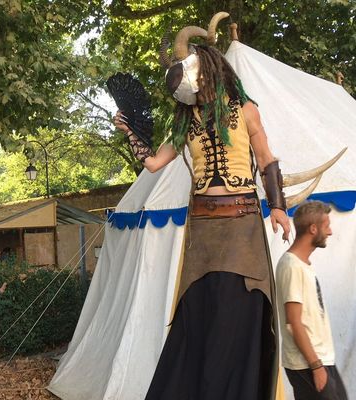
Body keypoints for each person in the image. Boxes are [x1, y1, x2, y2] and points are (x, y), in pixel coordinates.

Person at [114, 12, 291, 400]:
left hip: (243, 229)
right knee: (197, 318)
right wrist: (130, 131)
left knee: (236, 318)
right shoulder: (184, 121)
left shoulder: (246, 110)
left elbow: (266, 160)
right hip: (203, 234)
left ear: (205, 68)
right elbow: (154, 163)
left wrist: (277, 207)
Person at [276, 201, 348, 399]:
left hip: (320, 359)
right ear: (313, 228)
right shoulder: (291, 266)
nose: (330, 232)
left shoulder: (303, 264)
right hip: (307, 363)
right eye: (327, 226)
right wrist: (315, 366)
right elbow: (293, 322)